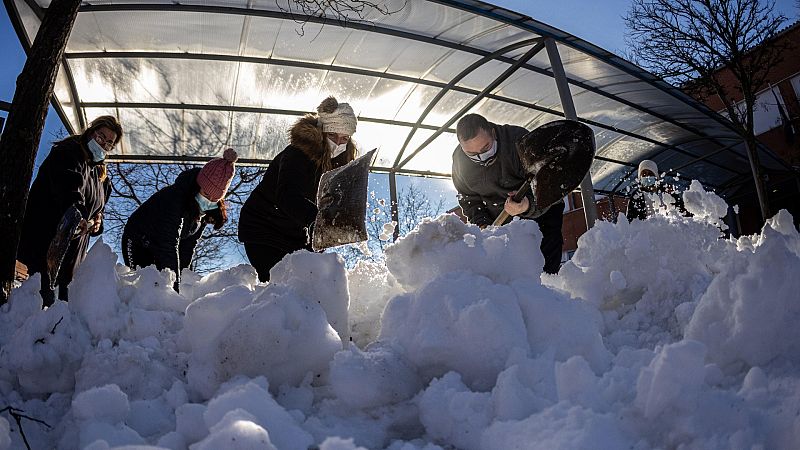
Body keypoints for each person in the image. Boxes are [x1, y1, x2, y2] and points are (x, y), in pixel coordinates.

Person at [239, 96, 358, 282]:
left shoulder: (334, 165)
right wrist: (316, 221)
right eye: (333, 135)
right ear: (321, 131)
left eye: (345, 138)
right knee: (278, 288)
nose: (338, 143)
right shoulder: (297, 154)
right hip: (263, 228)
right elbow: (287, 196)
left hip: (294, 233)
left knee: (311, 284)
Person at [17, 115, 122, 306]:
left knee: (63, 306)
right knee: (42, 303)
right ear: (91, 132)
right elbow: (69, 185)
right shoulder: (69, 152)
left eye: (109, 143)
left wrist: (97, 222)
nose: (103, 144)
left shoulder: (101, 177)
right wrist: (78, 210)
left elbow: (98, 210)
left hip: (73, 253)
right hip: (47, 240)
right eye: (101, 136)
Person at [451, 113, 565, 274]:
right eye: (472, 154)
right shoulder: (459, 161)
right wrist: (481, 223)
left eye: (486, 148)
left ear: (493, 132)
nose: (482, 158)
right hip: (499, 218)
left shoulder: (519, 140)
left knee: (544, 268)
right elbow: (468, 198)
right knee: (509, 274)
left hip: (542, 209)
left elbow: (548, 182)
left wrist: (527, 205)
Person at [122, 149, 237, 291]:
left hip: (163, 246)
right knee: (145, 288)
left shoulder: (204, 210)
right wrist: (174, 290)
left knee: (163, 286)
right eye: (206, 194)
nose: (209, 201)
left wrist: (183, 280)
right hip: (138, 241)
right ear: (198, 186)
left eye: (215, 199)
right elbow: (168, 243)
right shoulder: (175, 198)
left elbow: (188, 244)